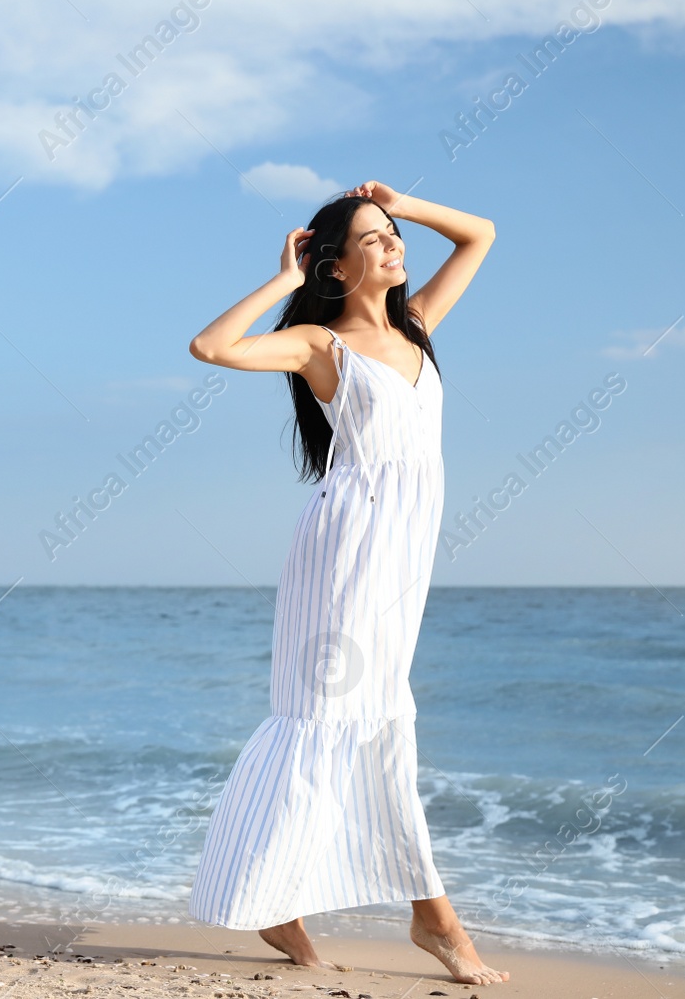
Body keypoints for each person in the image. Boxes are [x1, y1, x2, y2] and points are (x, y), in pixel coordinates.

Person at [185, 180, 503, 985]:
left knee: (366, 715)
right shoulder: (322, 344)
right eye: (374, 237)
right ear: (335, 266)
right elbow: (213, 346)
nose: (394, 244)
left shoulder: (419, 325)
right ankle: (434, 919)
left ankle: (276, 901)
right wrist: (285, 284)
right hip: (347, 551)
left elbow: (482, 235)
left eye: (393, 235)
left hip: (403, 554)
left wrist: (406, 203)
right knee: (343, 715)